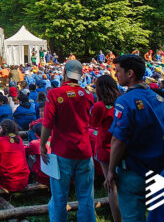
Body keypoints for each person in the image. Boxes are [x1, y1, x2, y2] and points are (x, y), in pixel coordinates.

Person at [106, 54, 164, 222]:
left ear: (130, 74)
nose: (116, 75)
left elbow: (118, 140)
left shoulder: (125, 101)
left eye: (118, 71)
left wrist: (111, 170)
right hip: (161, 168)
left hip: (134, 170)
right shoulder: (160, 99)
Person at [40, 59, 97, 222]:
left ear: (64, 73)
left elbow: (47, 123)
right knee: (86, 197)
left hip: (62, 152)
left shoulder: (55, 94)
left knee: (59, 198)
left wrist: (43, 144)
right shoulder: (88, 95)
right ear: (80, 75)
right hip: (84, 151)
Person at [89, 74, 121, 222]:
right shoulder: (122, 101)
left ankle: (117, 218)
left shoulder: (99, 106)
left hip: (105, 147)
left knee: (111, 186)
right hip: (121, 145)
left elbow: (93, 123)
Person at [0, 119, 29, 193]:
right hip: (23, 180)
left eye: (0, 128)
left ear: (4, 130)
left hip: (8, 182)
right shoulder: (19, 139)